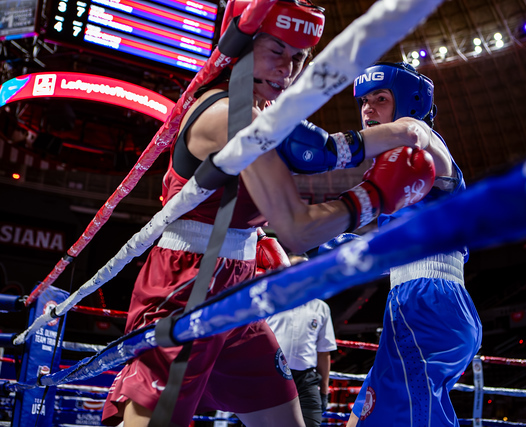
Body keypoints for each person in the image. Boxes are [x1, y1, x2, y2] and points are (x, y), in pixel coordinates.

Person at [101, 0, 438, 425]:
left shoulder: (262, 115)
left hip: (237, 290)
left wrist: (256, 240)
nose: (288, 69)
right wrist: (376, 189)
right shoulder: (225, 115)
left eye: (298, 58)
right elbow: (298, 227)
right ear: (243, 45)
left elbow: (306, 160)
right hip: (187, 287)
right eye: (276, 51)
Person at [344, 63, 483, 426]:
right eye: (364, 101)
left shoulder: (425, 143)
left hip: (426, 301)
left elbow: (413, 131)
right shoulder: (401, 173)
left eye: (381, 99)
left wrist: (330, 149)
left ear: (408, 104)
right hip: (417, 301)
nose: (368, 109)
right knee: (362, 418)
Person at [256, 231, 337, 427]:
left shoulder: (320, 307)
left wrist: (324, 391)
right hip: (271, 375)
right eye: (293, 268)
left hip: (306, 381)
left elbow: (323, 352)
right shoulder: (269, 302)